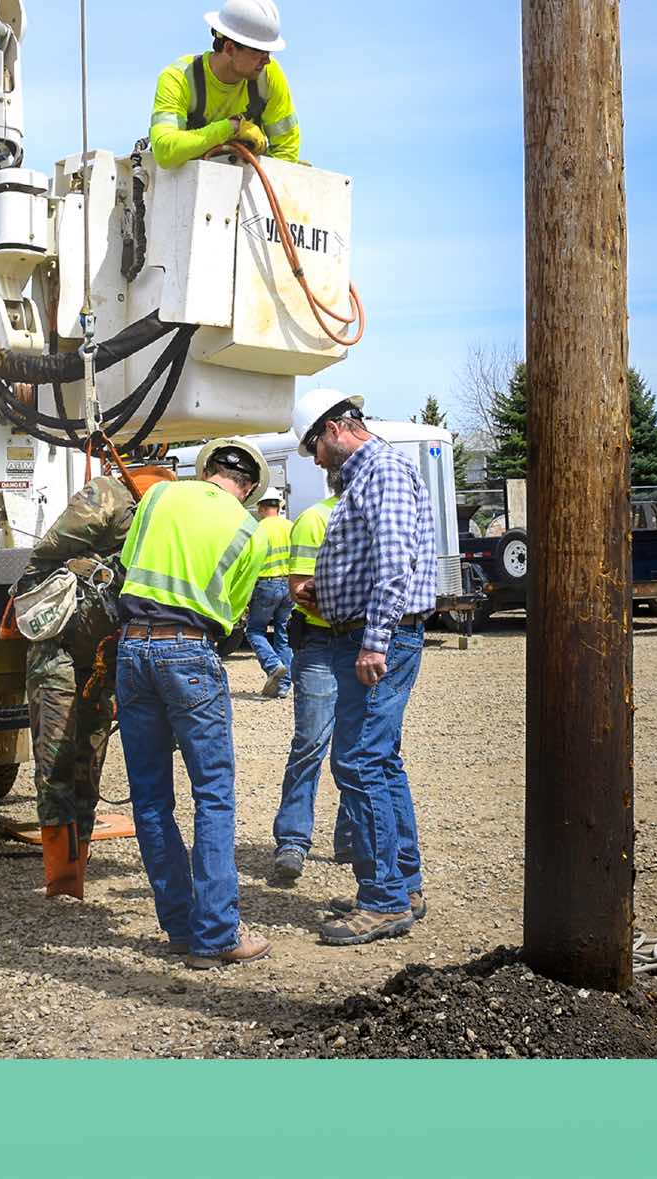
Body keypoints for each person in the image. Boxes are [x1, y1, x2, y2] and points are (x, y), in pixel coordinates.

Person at [113, 437, 273, 969]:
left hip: (132, 647)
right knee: (213, 796)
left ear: (205, 469)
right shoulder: (249, 531)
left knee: (152, 799)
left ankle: (181, 927)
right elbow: (232, 612)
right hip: (189, 652)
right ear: (248, 489)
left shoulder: (159, 497)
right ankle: (217, 935)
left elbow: (127, 561)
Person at [291, 388, 434, 945]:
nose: (318, 461)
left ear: (333, 430)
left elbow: (395, 561)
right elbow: (373, 561)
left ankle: (383, 899)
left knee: (359, 762)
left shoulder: (384, 474)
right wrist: (326, 595)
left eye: (315, 450)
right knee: (379, 760)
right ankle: (403, 882)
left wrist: (374, 641)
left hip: (380, 641)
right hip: (369, 633)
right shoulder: (369, 478)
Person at [11, 473, 142, 900]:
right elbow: (47, 552)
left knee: (88, 767)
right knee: (55, 765)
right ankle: (62, 882)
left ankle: (74, 873)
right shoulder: (109, 495)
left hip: (104, 657)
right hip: (59, 649)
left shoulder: (166, 511)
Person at [268, 462, 356, 885]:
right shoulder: (314, 520)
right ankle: (292, 841)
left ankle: (351, 838)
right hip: (322, 644)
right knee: (311, 743)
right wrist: (359, 606)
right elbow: (300, 591)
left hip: (362, 641)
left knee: (359, 747)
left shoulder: (374, 517)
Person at [148, 0, 301, 169]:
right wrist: (231, 128)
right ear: (229, 48)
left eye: (268, 53)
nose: (266, 60)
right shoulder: (179, 78)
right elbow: (164, 150)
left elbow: (286, 151)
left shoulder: (268, 75)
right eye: (259, 52)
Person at [246, 489, 295, 699]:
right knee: (282, 634)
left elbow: (250, 563)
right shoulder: (291, 526)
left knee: (254, 630)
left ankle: (273, 665)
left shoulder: (257, 529)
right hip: (289, 585)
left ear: (261, 506)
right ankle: (283, 686)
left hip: (266, 585)